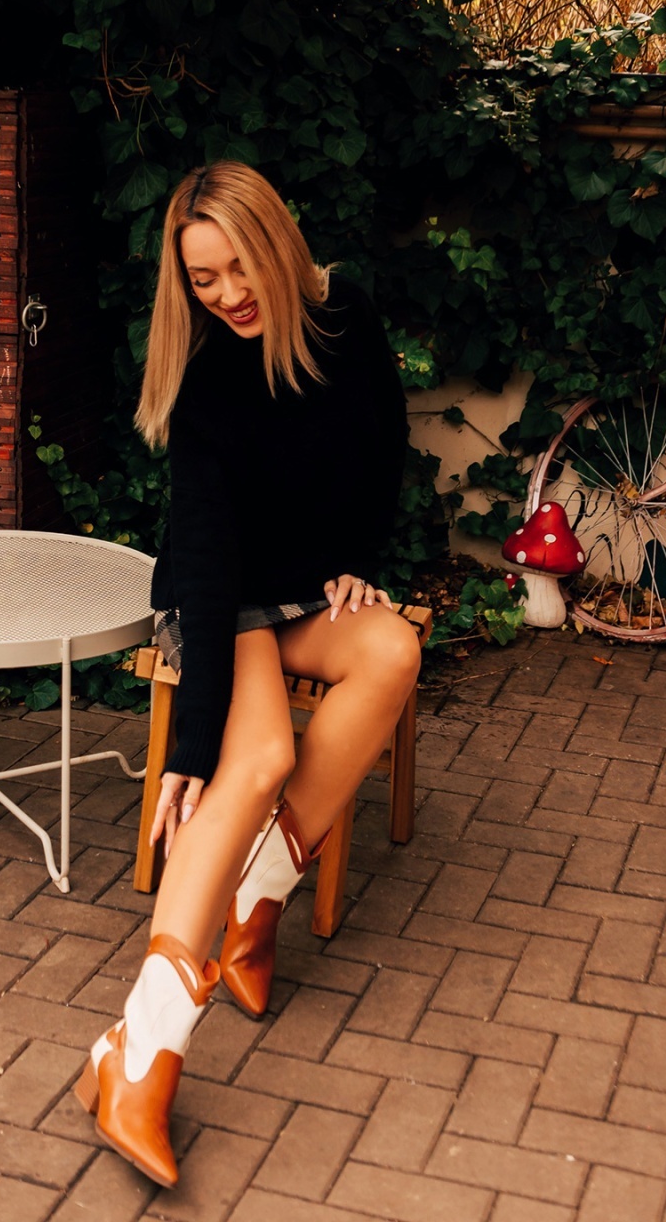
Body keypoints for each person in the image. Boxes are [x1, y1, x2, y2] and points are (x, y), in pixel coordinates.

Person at [73, 160, 420, 1187]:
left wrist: (359, 558)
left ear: (276, 244)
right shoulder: (207, 385)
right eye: (202, 278)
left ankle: (258, 901)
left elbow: (386, 447)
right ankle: (139, 1053)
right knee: (257, 755)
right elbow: (210, 560)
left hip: (305, 586)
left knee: (393, 650)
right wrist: (191, 745)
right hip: (217, 597)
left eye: (238, 266)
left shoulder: (347, 315)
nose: (227, 293)